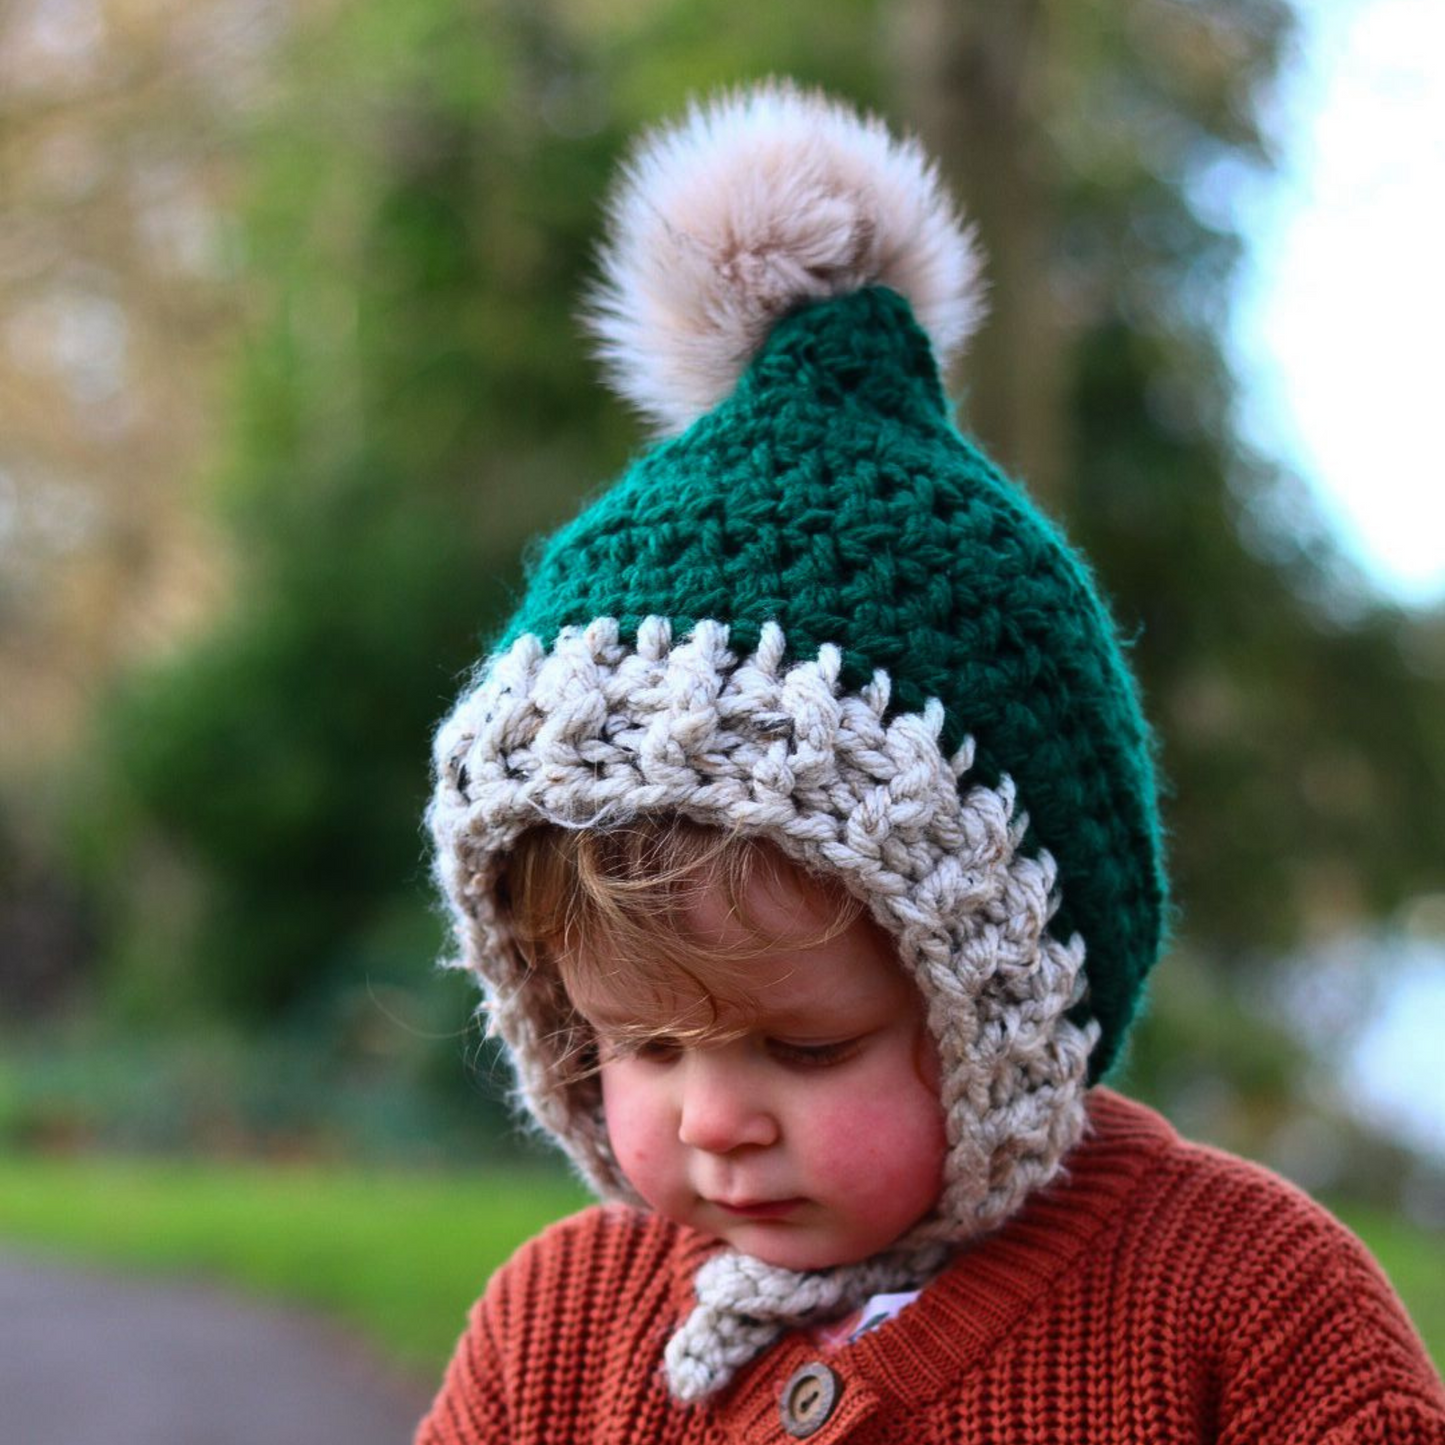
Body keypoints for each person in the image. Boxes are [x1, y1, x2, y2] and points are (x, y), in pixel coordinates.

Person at [416, 81, 1445, 1443]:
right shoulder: (556, 1341)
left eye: (808, 1044)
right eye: (644, 1044)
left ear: (1008, 998)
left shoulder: (1242, 1311)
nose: (716, 1120)